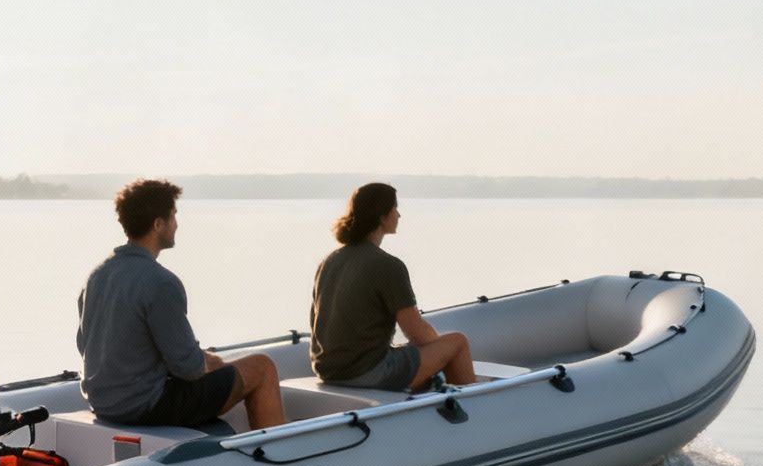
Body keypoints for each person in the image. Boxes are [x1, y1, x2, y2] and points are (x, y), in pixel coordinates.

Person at [77, 178, 286, 430]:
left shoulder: (96, 276)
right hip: (146, 406)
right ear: (158, 224)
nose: (177, 224)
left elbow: (85, 346)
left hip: (103, 404)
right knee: (262, 367)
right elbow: (189, 368)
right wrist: (214, 363)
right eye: (174, 215)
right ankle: (277, 459)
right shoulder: (161, 282)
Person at [309, 182, 475, 392]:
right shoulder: (388, 265)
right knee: (457, 343)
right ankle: (477, 412)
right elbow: (417, 332)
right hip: (366, 372)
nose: (399, 215)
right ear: (382, 217)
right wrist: (438, 350)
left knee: (412, 351)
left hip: (327, 371)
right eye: (395, 209)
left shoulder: (329, 261)